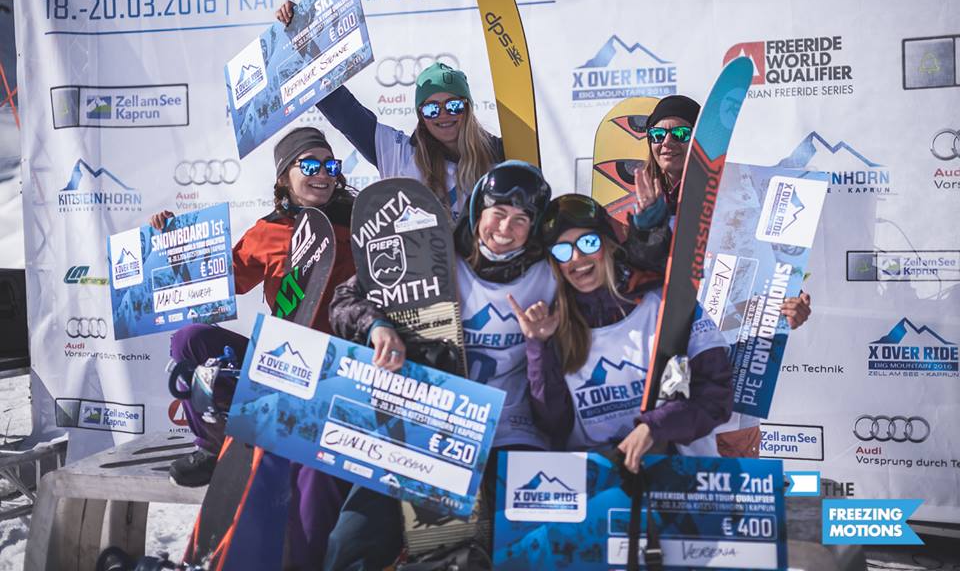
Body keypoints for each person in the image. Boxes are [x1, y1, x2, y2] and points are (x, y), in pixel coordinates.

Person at [152, 127, 405, 566]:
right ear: (284, 176)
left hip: (339, 372)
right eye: (310, 165)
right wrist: (174, 244)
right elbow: (220, 282)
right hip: (281, 363)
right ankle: (212, 445)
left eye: (331, 165)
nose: (323, 174)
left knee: (308, 477)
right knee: (190, 340)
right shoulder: (266, 232)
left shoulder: (359, 224)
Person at [324, 161, 563, 569]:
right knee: (354, 536)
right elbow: (344, 302)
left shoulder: (551, 274)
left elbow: (608, 283)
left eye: (521, 219)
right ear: (478, 211)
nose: (506, 229)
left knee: (524, 545)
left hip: (509, 427)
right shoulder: (432, 255)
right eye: (498, 213)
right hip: (424, 418)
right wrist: (377, 326)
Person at [632, 94, 812, 457]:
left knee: (731, 459)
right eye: (657, 134)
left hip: (735, 358)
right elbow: (638, 282)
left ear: (701, 140)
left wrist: (792, 305)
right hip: (671, 362)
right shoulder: (643, 205)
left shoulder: (744, 197)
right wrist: (648, 225)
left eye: (680, 134)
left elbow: (779, 267)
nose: (667, 143)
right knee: (674, 465)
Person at [511, 194, 733, 471]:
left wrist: (653, 428)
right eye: (562, 251)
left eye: (588, 243)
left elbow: (716, 396)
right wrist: (538, 347)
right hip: (600, 480)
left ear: (608, 244)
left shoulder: (665, 305)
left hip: (678, 475)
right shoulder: (557, 325)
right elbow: (554, 424)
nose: (577, 258)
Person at [277, 1, 503, 219]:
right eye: (431, 109)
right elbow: (342, 111)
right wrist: (302, 39)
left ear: (467, 108)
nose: (443, 114)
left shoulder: (499, 155)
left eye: (453, 106)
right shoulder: (400, 154)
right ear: (421, 115)